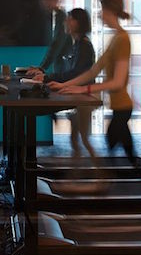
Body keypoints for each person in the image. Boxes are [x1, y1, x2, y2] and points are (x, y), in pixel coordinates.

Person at [49, 0, 136, 163]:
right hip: (119, 107)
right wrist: (64, 85)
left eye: (102, 10)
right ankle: (129, 171)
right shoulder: (115, 39)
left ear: (110, 11)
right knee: (123, 147)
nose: (99, 14)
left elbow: (117, 82)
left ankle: (107, 177)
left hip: (123, 106)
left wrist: (83, 89)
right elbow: (92, 72)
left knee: (111, 141)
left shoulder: (123, 39)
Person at [35, 8, 97, 158]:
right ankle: (83, 171)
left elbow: (76, 73)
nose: (65, 22)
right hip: (79, 97)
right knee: (76, 139)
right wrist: (47, 76)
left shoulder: (84, 45)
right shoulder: (76, 44)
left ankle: (99, 170)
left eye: (69, 19)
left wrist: (48, 78)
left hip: (84, 97)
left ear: (77, 23)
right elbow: (69, 70)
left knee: (83, 139)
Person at [32, 0, 71, 74]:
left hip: (66, 66)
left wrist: (42, 68)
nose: (45, 3)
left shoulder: (62, 17)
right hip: (59, 65)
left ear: (56, 0)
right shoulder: (48, 17)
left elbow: (57, 44)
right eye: (43, 0)